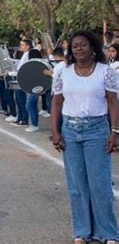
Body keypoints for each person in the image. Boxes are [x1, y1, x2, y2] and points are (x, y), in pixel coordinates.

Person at [51, 30, 119, 244]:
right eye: (74, 46)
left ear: (92, 48)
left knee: (99, 186)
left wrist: (115, 132)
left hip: (97, 130)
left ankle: (108, 233)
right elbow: (56, 102)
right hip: (70, 130)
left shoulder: (105, 71)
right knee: (77, 186)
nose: (78, 49)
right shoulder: (64, 72)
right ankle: (82, 232)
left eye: (83, 45)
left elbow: (113, 102)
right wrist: (55, 131)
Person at [24, 49, 47, 132]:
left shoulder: (35, 62)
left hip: (35, 87)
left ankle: (34, 124)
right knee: (31, 104)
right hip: (34, 86)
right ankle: (33, 123)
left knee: (29, 104)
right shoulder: (43, 62)